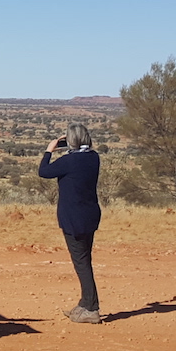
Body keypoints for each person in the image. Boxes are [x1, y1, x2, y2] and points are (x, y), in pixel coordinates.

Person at [38, 122, 103, 324]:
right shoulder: (94, 158)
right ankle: (85, 304)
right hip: (90, 215)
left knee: (81, 263)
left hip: (73, 218)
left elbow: (44, 171)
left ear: (70, 140)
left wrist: (49, 150)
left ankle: (92, 309)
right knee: (85, 260)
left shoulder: (69, 161)